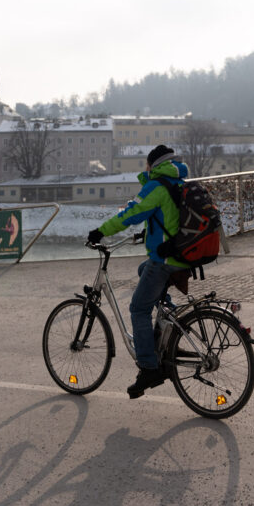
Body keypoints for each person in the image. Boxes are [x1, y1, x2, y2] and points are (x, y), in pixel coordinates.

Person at [87, 145, 190, 400]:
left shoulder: (156, 186)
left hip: (166, 259)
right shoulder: (176, 181)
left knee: (138, 309)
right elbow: (169, 216)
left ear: (152, 165)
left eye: (147, 164)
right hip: (182, 254)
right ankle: (168, 321)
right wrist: (150, 231)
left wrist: (101, 231)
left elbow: (131, 214)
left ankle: (148, 367)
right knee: (143, 268)